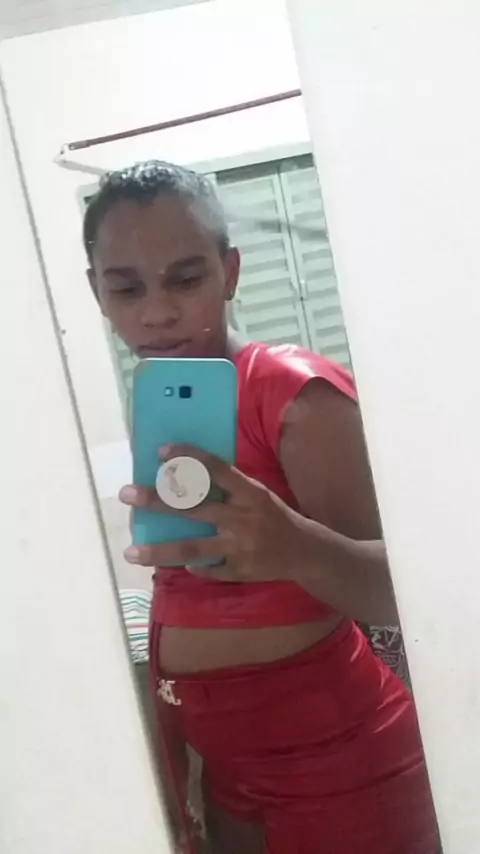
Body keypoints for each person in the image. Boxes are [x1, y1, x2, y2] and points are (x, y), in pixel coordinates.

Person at [83, 160, 440, 854]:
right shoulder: (164, 403)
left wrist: (295, 547)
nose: (156, 312)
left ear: (231, 272)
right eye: (126, 287)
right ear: (96, 291)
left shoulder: (291, 391)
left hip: (343, 767)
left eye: (186, 279)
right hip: (231, 776)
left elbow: (405, 592)